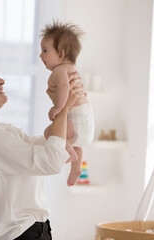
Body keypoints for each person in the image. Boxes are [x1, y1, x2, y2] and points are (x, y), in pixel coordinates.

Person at [0, 58, 85, 240]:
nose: (1, 81)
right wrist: (64, 107)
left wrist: (65, 105)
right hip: (23, 234)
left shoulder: (2, 133)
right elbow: (51, 161)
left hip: (31, 232)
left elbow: (56, 148)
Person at [39, 21, 95, 186]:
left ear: (61, 54)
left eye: (44, 51)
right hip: (85, 120)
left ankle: (70, 156)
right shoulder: (71, 69)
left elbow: (64, 87)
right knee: (74, 142)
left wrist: (58, 107)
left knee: (50, 133)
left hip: (76, 119)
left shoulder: (60, 70)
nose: (40, 55)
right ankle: (76, 167)